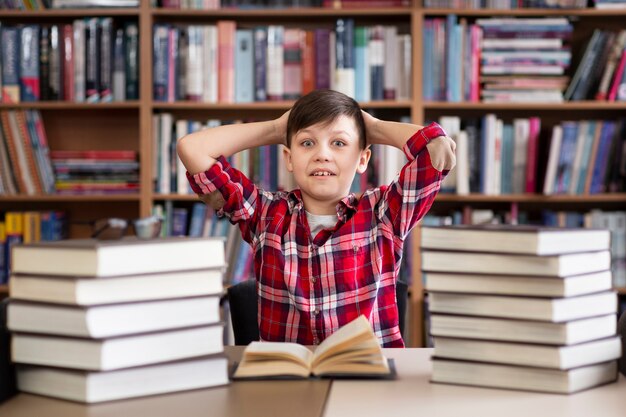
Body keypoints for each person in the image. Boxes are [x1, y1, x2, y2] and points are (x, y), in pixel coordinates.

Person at [177, 89, 455, 347]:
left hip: (368, 385)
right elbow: (192, 148)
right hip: (288, 385)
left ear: (363, 159)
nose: (322, 154)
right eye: (307, 142)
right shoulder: (264, 215)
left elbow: (437, 148)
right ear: (289, 157)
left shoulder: (384, 213)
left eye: (339, 143)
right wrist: (276, 128)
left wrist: (371, 127)